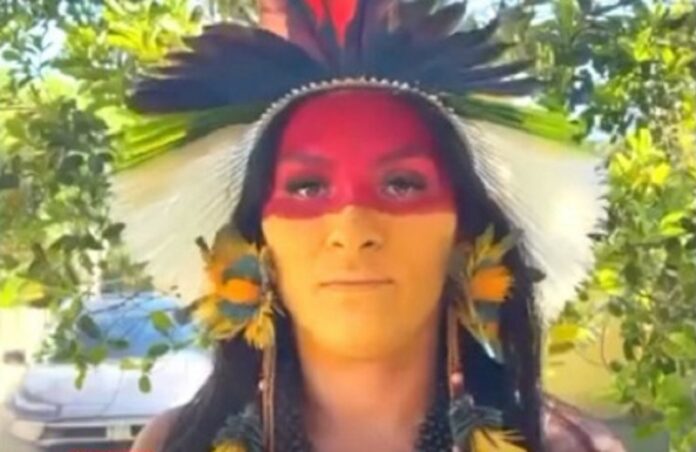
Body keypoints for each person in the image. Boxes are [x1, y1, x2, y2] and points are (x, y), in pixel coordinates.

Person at [116, 0, 627, 451]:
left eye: (402, 184)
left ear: (465, 235)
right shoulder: (172, 446)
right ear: (255, 240)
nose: (353, 228)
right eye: (308, 188)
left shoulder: (570, 448)